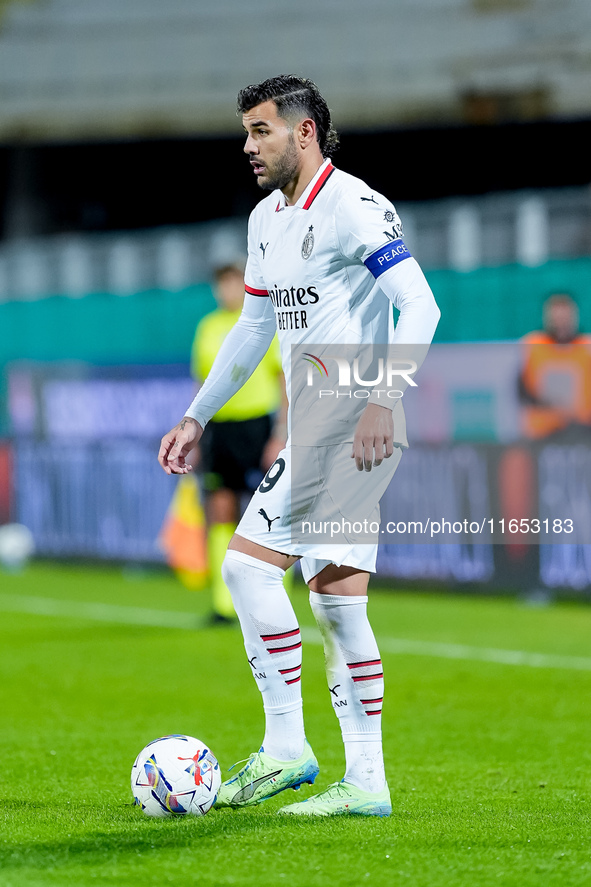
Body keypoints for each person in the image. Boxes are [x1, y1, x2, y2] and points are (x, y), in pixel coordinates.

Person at [158, 75, 440, 817]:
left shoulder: (351, 206)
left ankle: (286, 745)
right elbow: (253, 331)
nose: (248, 146)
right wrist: (195, 415)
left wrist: (385, 395)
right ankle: (367, 783)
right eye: (246, 132)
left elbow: (420, 303)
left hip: (351, 411)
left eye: (261, 130)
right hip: (322, 416)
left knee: (248, 569)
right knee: (339, 606)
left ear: (304, 130)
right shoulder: (263, 221)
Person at [191, 259, 286, 622]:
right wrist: (195, 428)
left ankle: (272, 601)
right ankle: (223, 604)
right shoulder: (208, 327)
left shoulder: (264, 322)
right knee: (220, 509)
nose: (226, 291)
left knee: (266, 513)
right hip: (220, 429)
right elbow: (202, 383)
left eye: (233, 283)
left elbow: (283, 380)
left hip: (258, 425)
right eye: (222, 284)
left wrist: (280, 433)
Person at [519, 293, 591, 440]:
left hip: (582, 430)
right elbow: (521, 389)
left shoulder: (586, 347)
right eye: (556, 318)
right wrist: (546, 403)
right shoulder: (533, 345)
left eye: (565, 317)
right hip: (542, 432)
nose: (561, 323)